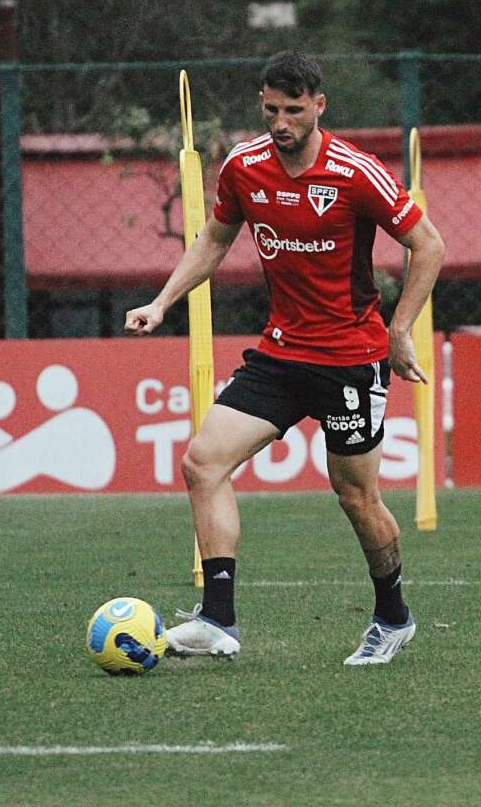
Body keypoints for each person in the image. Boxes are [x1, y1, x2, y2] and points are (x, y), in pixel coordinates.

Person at [124, 51, 445, 666]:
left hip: (351, 357)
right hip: (281, 351)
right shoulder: (244, 168)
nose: (280, 122)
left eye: (293, 110)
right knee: (202, 462)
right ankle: (219, 619)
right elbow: (215, 239)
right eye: (271, 109)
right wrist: (162, 302)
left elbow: (427, 245)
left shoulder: (357, 173)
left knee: (356, 498)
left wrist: (400, 331)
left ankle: (393, 617)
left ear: (319, 106)